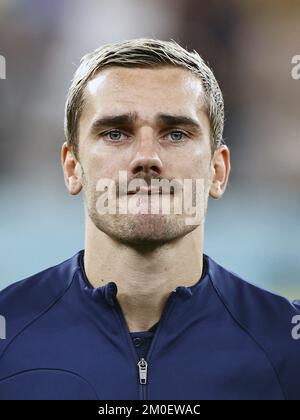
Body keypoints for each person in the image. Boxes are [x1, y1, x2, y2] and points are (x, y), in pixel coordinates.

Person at [0, 38, 299, 400]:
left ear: (218, 170)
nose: (146, 157)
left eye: (175, 133)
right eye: (115, 133)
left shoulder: (287, 346)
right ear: (72, 167)